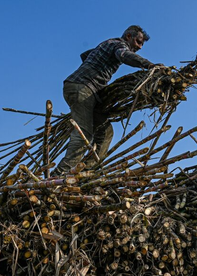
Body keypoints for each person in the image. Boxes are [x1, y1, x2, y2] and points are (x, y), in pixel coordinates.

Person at [53, 25, 158, 175]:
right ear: (128, 36)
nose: (140, 47)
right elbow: (124, 55)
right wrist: (148, 65)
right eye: (138, 42)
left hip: (87, 91)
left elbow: (85, 55)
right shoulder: (119, 44)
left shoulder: (107, 43)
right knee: (84, 134)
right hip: (82, 88)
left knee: (105, 131)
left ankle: (86, 171)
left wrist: (96, 68)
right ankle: (60, 175)